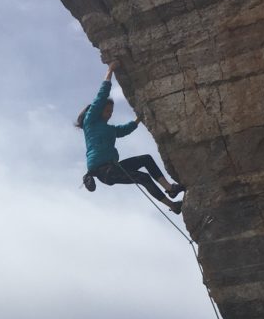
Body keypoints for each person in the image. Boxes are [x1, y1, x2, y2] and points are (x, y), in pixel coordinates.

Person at [75, 61, 184, 214]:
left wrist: (139, 118)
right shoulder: (91, 121)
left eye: (111, 111)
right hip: (103, 171)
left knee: (146, 159)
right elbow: (101, 95)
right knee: (143, 178)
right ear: (99, 110)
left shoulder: (108, 129)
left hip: (114, 167)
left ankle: (170, 189)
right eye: (107, 110)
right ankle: (172, 206)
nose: (110, 113)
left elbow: (124, 130)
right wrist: (110, 70)